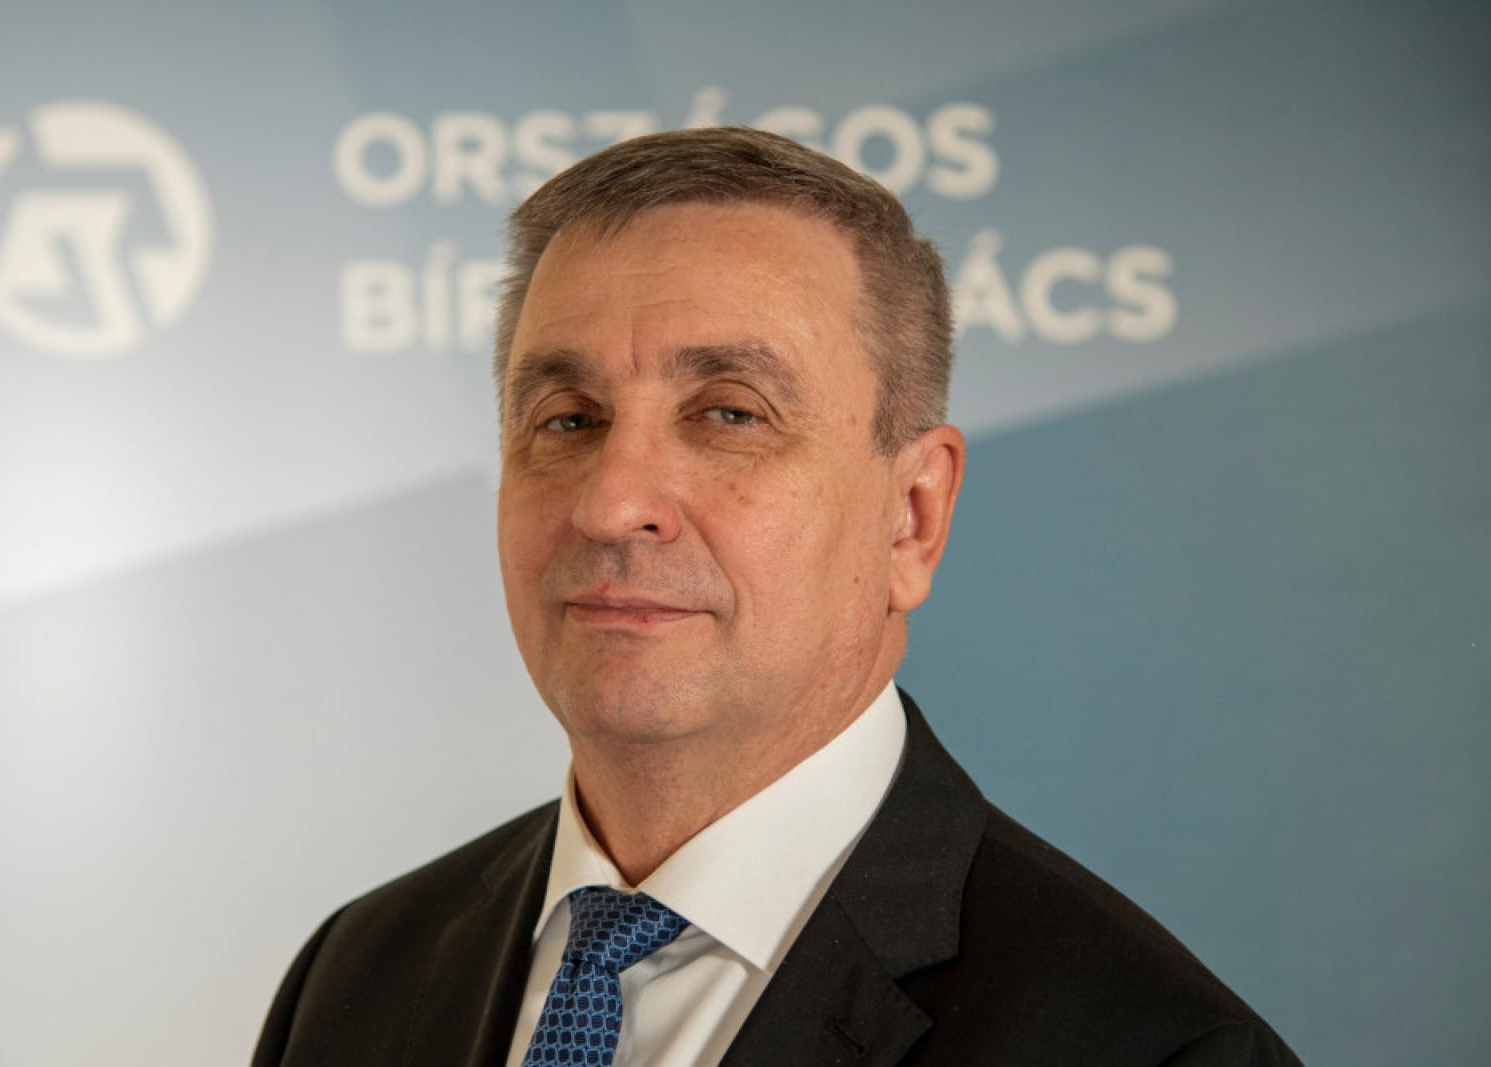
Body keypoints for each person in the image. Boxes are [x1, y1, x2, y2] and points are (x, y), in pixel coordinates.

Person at [252, 127, 1301, 1066]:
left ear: (912, 515)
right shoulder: (354, 977)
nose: (613, 504)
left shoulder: (1157, 1050)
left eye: (730, 414)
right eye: (568, 419)